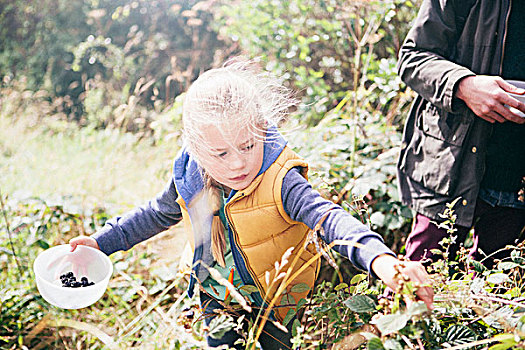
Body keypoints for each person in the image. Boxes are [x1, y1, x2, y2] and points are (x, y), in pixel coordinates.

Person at [68, 59, 433, 349]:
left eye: (247, 145)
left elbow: (329, 219)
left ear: (261, 129)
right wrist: (102, 243)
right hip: (215, 291)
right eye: (221, 153)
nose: (238, 163)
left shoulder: (281, 178)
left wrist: (381, 259)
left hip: (277, 301)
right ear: (195, 150)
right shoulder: (190, 174)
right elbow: (154, 214)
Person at [396, 0, 525, 266]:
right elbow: (413, 57)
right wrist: (464, 86)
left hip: (517, 184)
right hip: (452, 166)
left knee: (494, 295)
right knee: (418, 285)